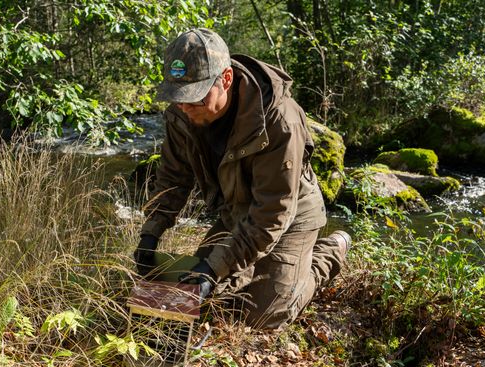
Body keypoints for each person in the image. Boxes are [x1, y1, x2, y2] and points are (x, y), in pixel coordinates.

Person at [133, 28, 351, 330]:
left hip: (291, 215)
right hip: (236, 211)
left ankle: (328, 252)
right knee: (207, 299)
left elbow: (272, 214)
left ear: (225, 80)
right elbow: (173, 177)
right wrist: (151, 233)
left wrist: (214, 267)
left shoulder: (279, 122)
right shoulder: (182, 113)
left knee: (263, 314)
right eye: (177, 96)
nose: (183, 106)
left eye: (194, 97)